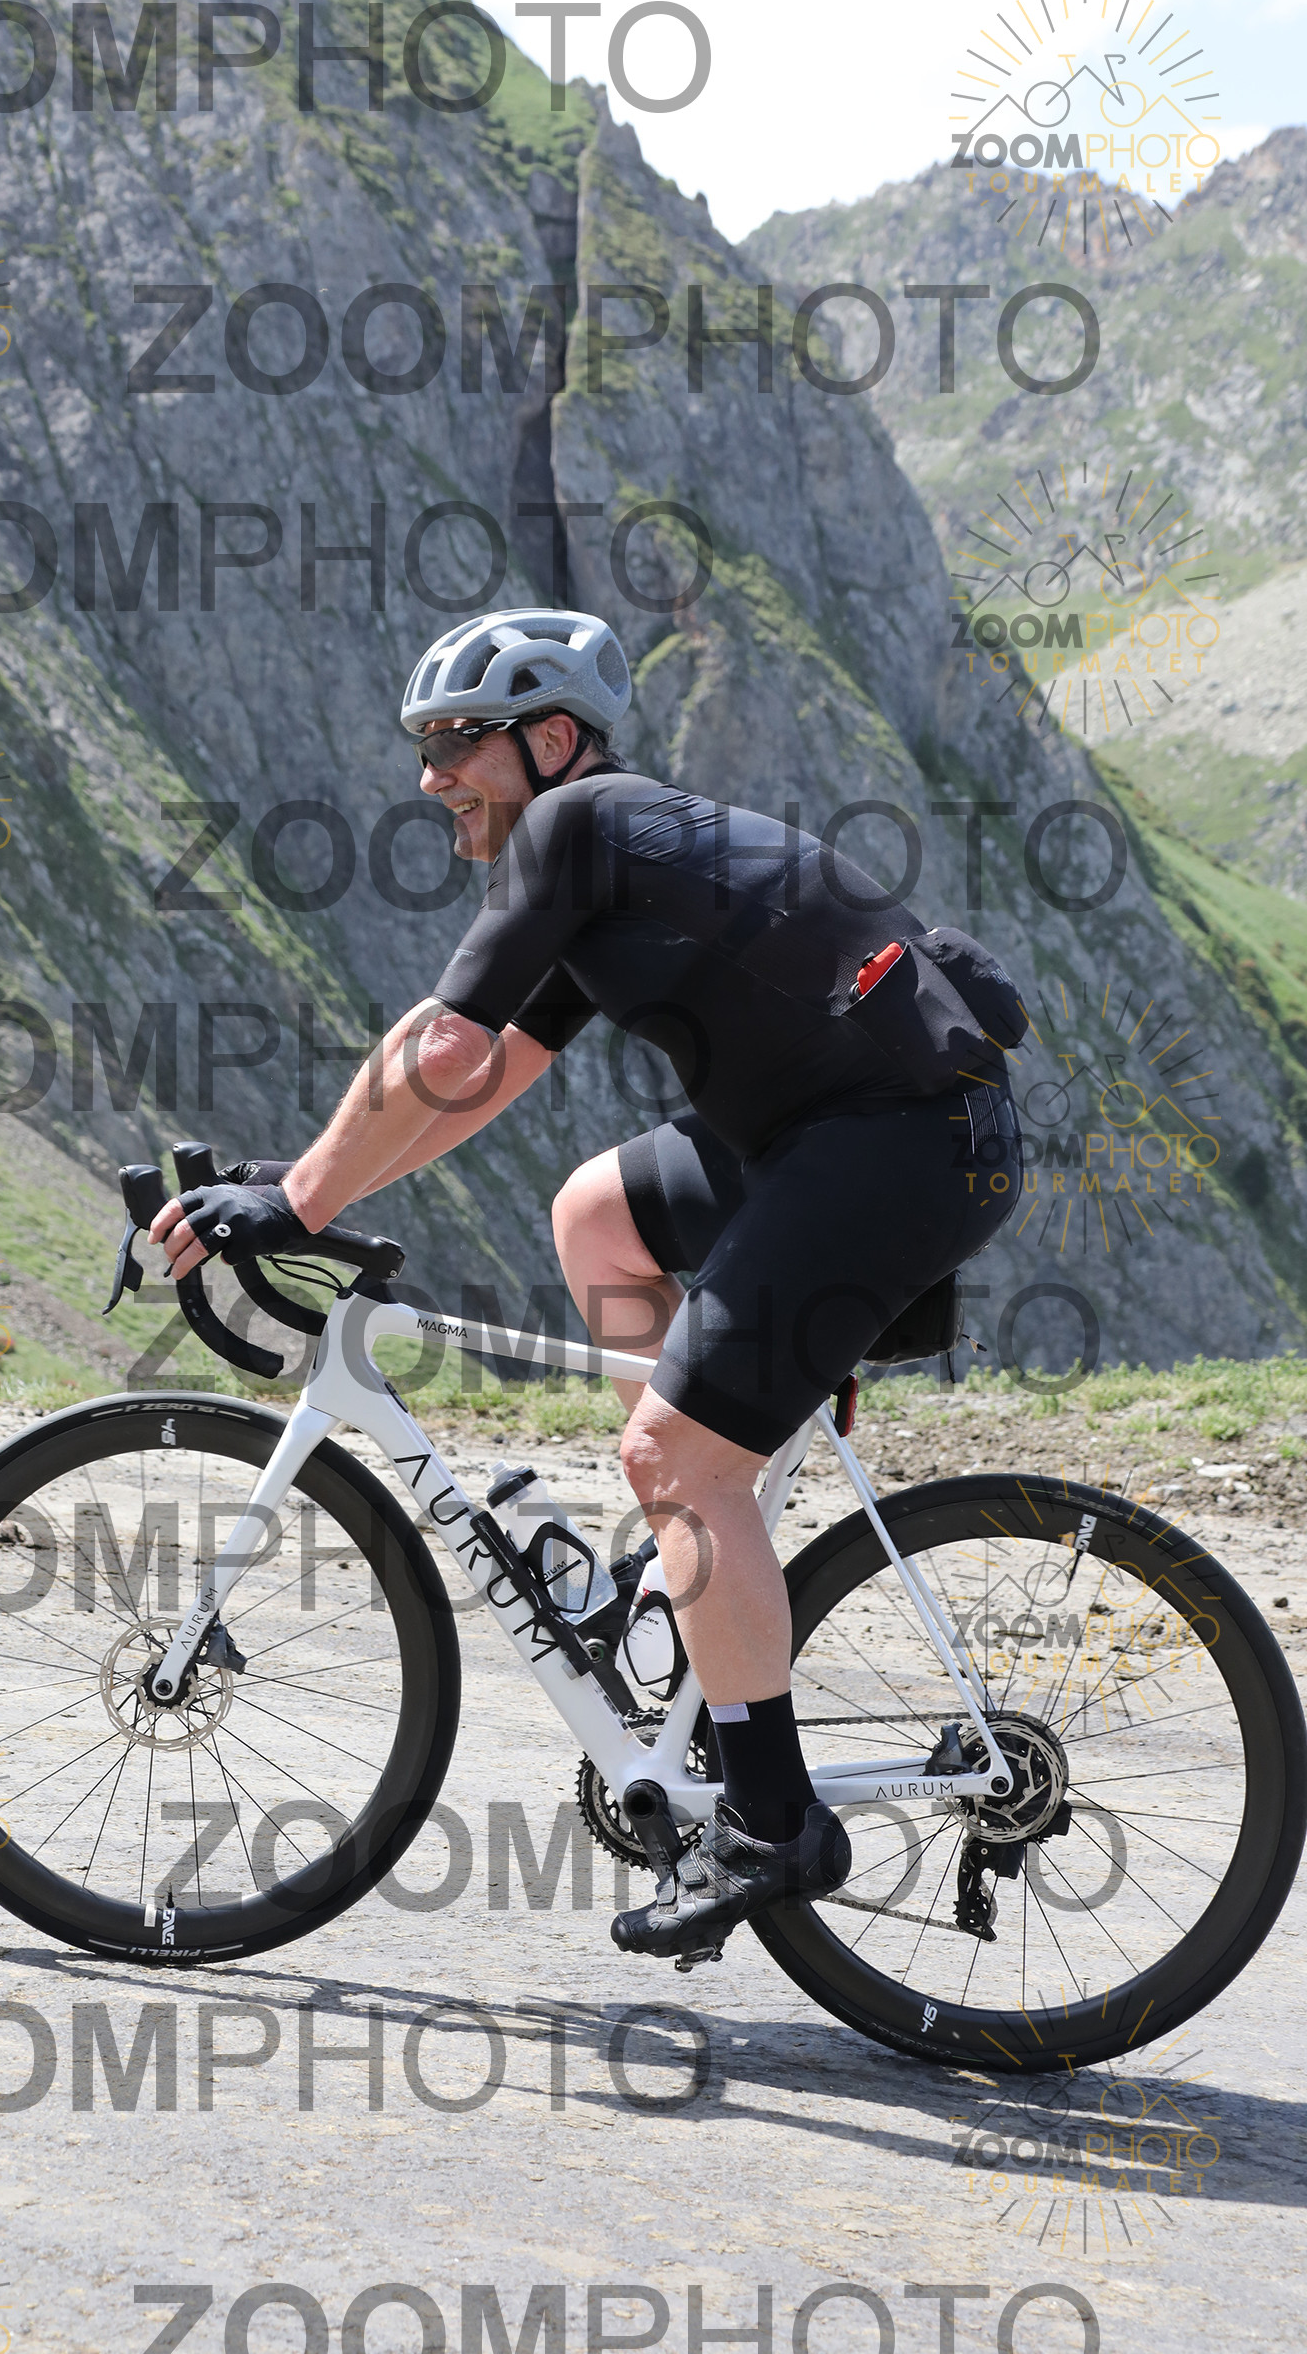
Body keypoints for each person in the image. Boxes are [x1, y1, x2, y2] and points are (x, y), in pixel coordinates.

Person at [150, 609, 1023, 1964]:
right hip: (847, 1133)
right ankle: (689, 1569)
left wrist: (300, 1204)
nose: (433, 775)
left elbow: (440, 1048)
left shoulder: (574, 828)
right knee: (597, 1215)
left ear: (552, 739)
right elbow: (480, 1073)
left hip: (895, 1144)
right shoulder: (614, 857)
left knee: (674, 1455)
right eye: (426, 747)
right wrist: (310, 1181)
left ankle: (774, 1825)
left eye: (459, 742)